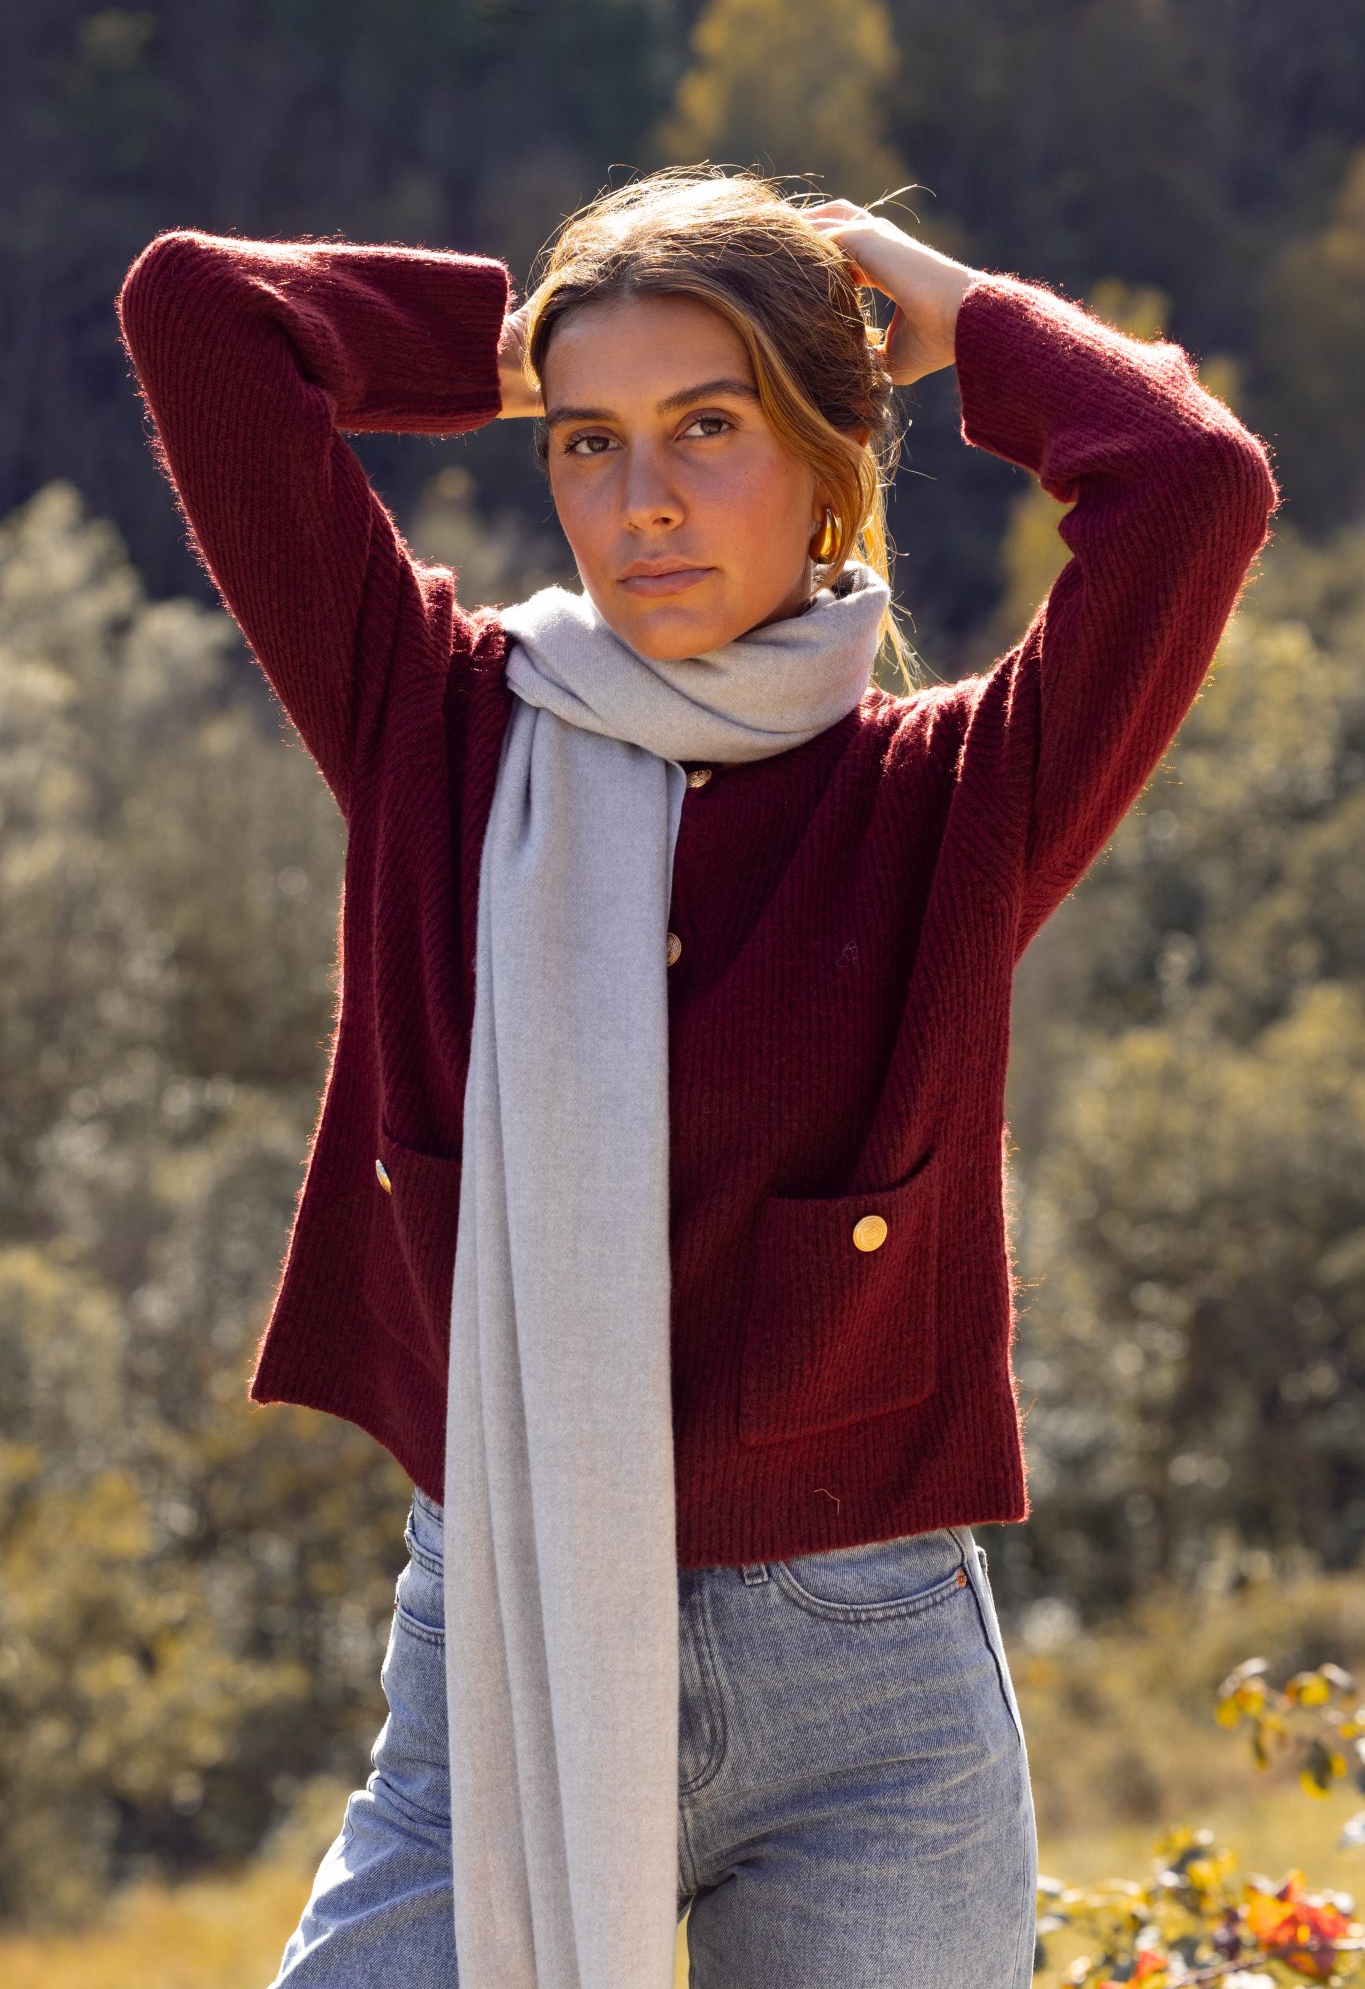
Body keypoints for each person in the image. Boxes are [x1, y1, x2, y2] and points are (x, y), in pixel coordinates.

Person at [115, 165, 1279, 1989]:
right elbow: (198, 312)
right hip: (498, 1642)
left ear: (828, 464)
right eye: (590, 446)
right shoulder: (430, 726)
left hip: (868, 1704)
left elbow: (1194, 485)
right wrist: (520, 348)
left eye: (711, 429)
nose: (639, 501)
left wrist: (957, 314)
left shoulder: (951, 807)